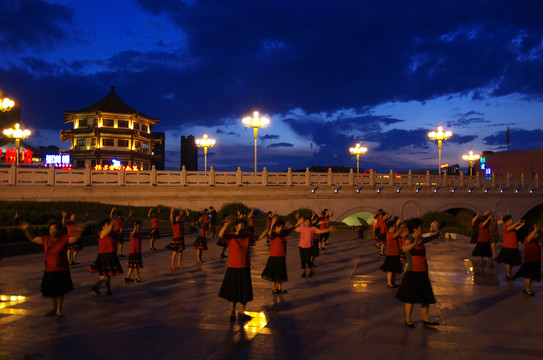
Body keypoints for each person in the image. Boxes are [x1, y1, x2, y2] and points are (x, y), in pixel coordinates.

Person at [21, 219, 83, 317]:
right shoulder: (45, 239)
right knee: (51, 291)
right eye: (50, 229)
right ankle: (54, 309)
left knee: (59, 291)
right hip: (49, 270)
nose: (52, 231)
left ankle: (59, 309)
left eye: (54, 229)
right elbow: (33, 238)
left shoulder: (64, 239)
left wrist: (79, 231)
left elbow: (74, 239)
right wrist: (26, 229)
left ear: (59, 231)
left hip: (61, 270)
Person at [395, 218, 439, 328]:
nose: (422, 228)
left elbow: (431, 237)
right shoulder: (410, 239)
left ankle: (426, 318)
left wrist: (437, 233)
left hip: (423, 271)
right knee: (410, 297)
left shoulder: (421, 239)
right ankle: (408, 319)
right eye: (421, 227)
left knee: (425, 296)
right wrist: (414, 245)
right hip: (412, 272)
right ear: (415, 229)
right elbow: (404, 249)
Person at [218, 217, 261, 321]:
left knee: (244, 291)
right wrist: (226, 225)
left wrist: (268, 229)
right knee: (233, 291)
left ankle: (241, 311)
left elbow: (258, 238)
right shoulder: (231, 237)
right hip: (233, 267)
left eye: (244, 226)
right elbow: (220, 235)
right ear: (236, 227)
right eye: (240, 225)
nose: (242, 227)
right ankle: (232, 311)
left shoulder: (247, 237)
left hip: (245, 267)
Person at [88, 218, 124, 295]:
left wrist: (120, 232)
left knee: (106, 274)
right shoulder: (102, 232)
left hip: (111, 254)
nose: (109, 226)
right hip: (104, 256)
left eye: (109, 225)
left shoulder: (111, 233)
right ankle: (107, 289)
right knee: (105, 275)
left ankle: (99, 287)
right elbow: (108, 231)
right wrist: (111, 224)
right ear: (103, 226)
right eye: (107, 225)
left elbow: (118, 237)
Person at [261, 216, 294, 294]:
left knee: (281, 272)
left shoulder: (283, 233)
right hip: (274, 256)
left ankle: (280, 288)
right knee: (274, 273)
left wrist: (298, 223)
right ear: (277, 227)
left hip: (282, 255)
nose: (282, 228)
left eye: (282, 227)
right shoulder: (273, 234)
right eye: (281, 227)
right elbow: (269, 233)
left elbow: (291, 229)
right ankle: (273, 288)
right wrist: (272, 224)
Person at [514, 224, 542, 296]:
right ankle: (527, 289)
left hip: (535, 260)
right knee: (529, 276)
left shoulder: (535, 241)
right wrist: (535, 231)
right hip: (530, 261)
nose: (537, 236)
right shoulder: (527, 238)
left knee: (530, 276)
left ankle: (526, 288)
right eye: (536, 234)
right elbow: (529, 237)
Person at [379, 217, 406, 288]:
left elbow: (402, 235)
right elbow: (397, 235)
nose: (395, 228)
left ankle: (393, 282)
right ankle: (389, 283)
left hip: (396, 254)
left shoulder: (394, 233)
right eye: (394, 226)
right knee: (390, 270)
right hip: (391, 254)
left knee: (394, 270)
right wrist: (402, 228)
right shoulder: (389, 234)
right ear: (390, 227)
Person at [496, 215, 524, 279]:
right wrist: (516, 223)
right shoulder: (505, 227)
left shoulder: (511, 227)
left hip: (514, 246)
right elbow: (509, 229)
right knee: (508, 261)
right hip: (507, 247)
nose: (512, 220)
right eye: (511, 219)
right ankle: (508, 274)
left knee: (512, 261)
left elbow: (515, 228)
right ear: (507, 221)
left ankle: (509, 273)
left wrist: (522, 224)